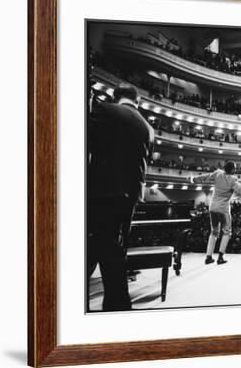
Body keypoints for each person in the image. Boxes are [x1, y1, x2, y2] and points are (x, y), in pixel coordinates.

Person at [87, 83, 154, 311]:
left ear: (117, 97)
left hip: (102, 190)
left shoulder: (105, 109)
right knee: (112, 248)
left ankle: (117, 305)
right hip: (131, 196)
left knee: (103, 247)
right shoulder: (147, 127)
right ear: (138, 101)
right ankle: (116, 305)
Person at [189, 162, 241, 265]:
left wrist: (192, 179)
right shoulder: (232, 180)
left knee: (214, 232)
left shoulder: (217, 173)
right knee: (227, 232)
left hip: (212, 207)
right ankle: (220, 257)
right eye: (235, 168)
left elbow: (204, 177)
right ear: (232, 170)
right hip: (223, 209)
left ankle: (208, 257)